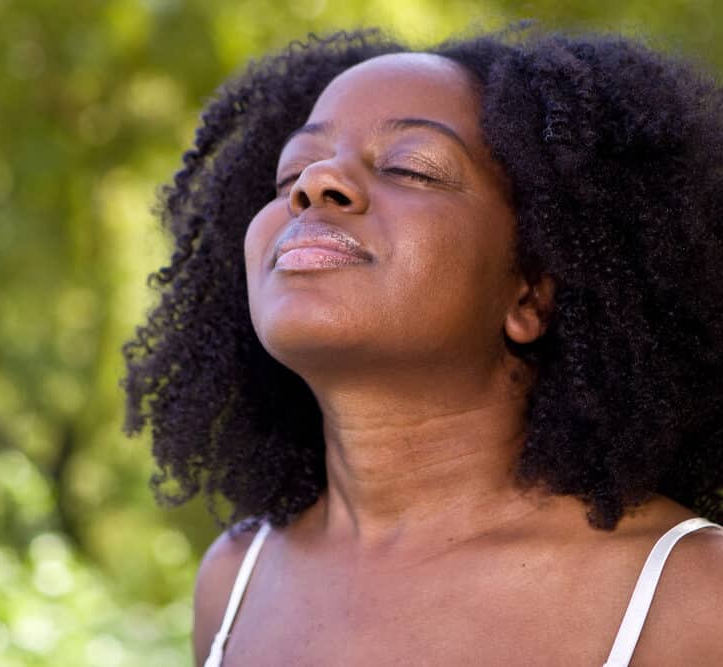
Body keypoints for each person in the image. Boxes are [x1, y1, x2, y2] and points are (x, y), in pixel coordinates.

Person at [121, 27, 723, 665]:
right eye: (291, 173)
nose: (316, 183)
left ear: (532, 292)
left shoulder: (690, 597)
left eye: (410, 166)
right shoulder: (235, 583)